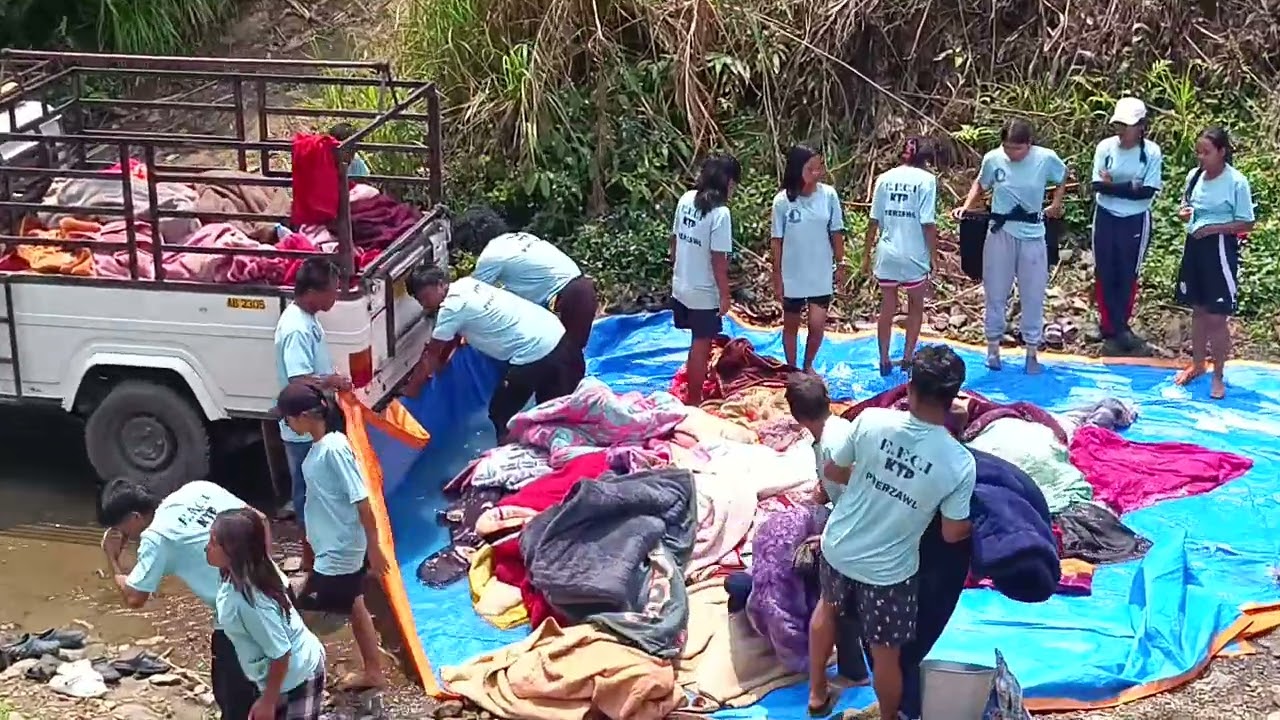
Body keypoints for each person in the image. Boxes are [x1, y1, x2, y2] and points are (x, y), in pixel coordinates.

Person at [810, 345, 977, 720]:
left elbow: (834, 473)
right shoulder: (959, 463)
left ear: (910, 389)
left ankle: (817, 693)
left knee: (828, 609)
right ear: (952, 400)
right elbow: (952, 534)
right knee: (886, 654)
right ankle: (888, 717)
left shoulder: (871, 421)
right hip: (888, 574)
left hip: (838, 546)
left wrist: (875, 480)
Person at [99, 478, 263, 718]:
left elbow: (134, 597)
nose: (125, 536)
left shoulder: (157, 538)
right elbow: (261, 519)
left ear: (135, 517)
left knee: (233, 701)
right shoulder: (197, 489)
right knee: (275, 687)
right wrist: (262, 571)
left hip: (238, 620)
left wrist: (113, 560)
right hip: (276, 594)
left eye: (122, 530)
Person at [273, 381, 389, 691]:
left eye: (287, 419)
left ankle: (294, 680)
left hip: (340, 552)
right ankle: (373, 671)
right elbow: (320, 503)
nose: (286, 425)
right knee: (355, 605)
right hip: (332, 547)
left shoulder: (334, 448)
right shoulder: (322, 447)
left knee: (302, 620)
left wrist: (375, 549)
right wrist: (310, 547)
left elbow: (362, 500)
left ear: (305, 416)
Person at [403, 266, 584, 441]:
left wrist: (412, 390)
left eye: (426, 297)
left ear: (440, 284)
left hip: (534, 353)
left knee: (500, 413)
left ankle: (508, 459)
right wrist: (442, 362)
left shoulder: (451, 309)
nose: (425, 305)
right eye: (421, 301)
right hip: (557, 335)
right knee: (553, 410)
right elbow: (452, 339)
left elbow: (432, 354)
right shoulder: (468, 284)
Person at [953, 118, 1066, 374]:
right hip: (1000, 231)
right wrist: (968, 206)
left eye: (1017, 148)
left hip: (1033, 234)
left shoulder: (1045, 158)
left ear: (1029, 144)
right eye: (1007, 148)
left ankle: (1032, 352)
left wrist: (1056, 203)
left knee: (1033, 294)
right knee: (995, 291)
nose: (1011, 153)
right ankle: (993, 348)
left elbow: (1062, 176)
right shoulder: (993, 159)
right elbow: (980, 183)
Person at [208, 508, 326, 720]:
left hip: (299, 676)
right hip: (277, 676)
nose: (206, 547)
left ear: (233, 550)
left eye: (214, 542)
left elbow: (281, 653)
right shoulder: (239, 571)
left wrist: (268, 702)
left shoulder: (252, 603)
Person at [275, 257, 350, 565]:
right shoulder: (296, 329)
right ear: (313, 291)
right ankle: (310, 559)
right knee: (308, 493)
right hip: (303, 426)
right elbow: (298, 380)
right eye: (332, 290)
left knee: (323, 490)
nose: (336, 296)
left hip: (315, 419)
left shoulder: (308, 318)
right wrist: (331, 381)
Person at [1172, 127, 1255, 400]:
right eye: (1198, 152)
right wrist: (1185, 215)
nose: (1201, 157)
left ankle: (1218, 374)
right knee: (1197, 309)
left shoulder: (1236, 182)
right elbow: (1187, 206)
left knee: (1216, 316)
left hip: (1219, 249)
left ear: (1222, 152)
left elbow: (1247, 222)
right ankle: (1197, 363)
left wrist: (1214, 228)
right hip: (1194, 247)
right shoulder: (1194, 176)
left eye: (1206, 152)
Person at [461, 205, 600, 351]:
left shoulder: (491, 256)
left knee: (564, 354)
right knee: (568, 352)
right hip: (583, 288)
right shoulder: (521, 238)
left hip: (569, 298)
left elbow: (472, 297)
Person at [1091, 97, 1163, 355]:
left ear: (1141, 126)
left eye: (1128, 125)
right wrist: (1128, 186)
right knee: (1104, 269)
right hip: (1106, 216)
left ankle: (1121, 324)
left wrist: (1114, 187)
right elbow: (1097, 185)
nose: (1122, 131)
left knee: (1127, 272)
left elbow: (1146, 192)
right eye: (1119, 125)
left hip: (1135, 219)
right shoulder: (1106, 147)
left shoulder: (1151, 152)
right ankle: (1108, 324)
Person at [865, 137, 939, 376]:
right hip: (914, 255)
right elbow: (928, 223)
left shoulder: (884, 179)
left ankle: (884, 359)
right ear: (926, 159)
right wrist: (934, 256)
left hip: (888, 254)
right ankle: (907, 359)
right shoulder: (927, 181)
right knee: (916, 307)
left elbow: (873, 221)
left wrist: (866, 255)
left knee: (887, 308)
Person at [671, 153, 741, 405]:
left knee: (695, 341)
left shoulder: (686, 199)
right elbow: (718, 261)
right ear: (729, 183)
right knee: (700, 343)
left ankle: (696, 384)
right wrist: (725, 295)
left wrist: (677, 269)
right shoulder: (720, 214)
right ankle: (694, 399)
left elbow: (675, 240)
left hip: (681, 284)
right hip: (703, 291)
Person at [770, 145, 846, 372]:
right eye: (811, 168)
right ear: (796, 170)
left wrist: (840, 263)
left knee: (817, 324)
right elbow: (777, 241)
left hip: (820, 271)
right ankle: (792, 367)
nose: (817, 172)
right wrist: (777, 276)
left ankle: (808, 364)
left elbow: (836, 232)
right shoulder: (782, 202)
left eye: (819, 167)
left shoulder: (829, 195)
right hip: (792, 272)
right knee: (791, 324)